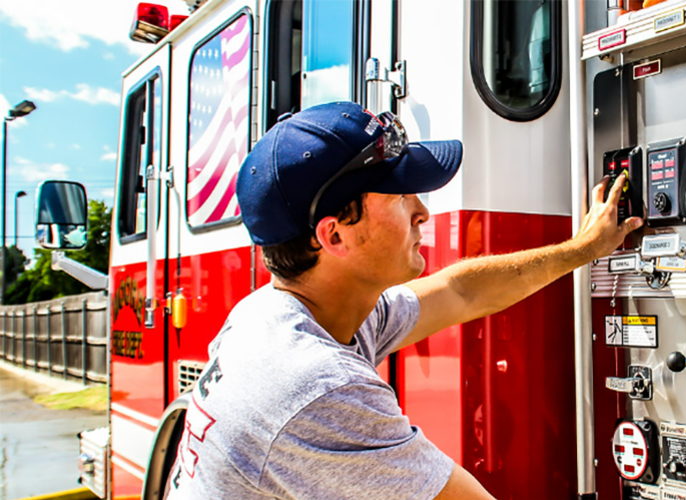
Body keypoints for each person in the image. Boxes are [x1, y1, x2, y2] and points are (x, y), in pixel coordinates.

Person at [166, 102, 642, 499]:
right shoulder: (318, 386)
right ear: (334, 235)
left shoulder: (273, 313)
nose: (422, 211)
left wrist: (584, 249)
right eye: (398, 196)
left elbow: (460, 291)